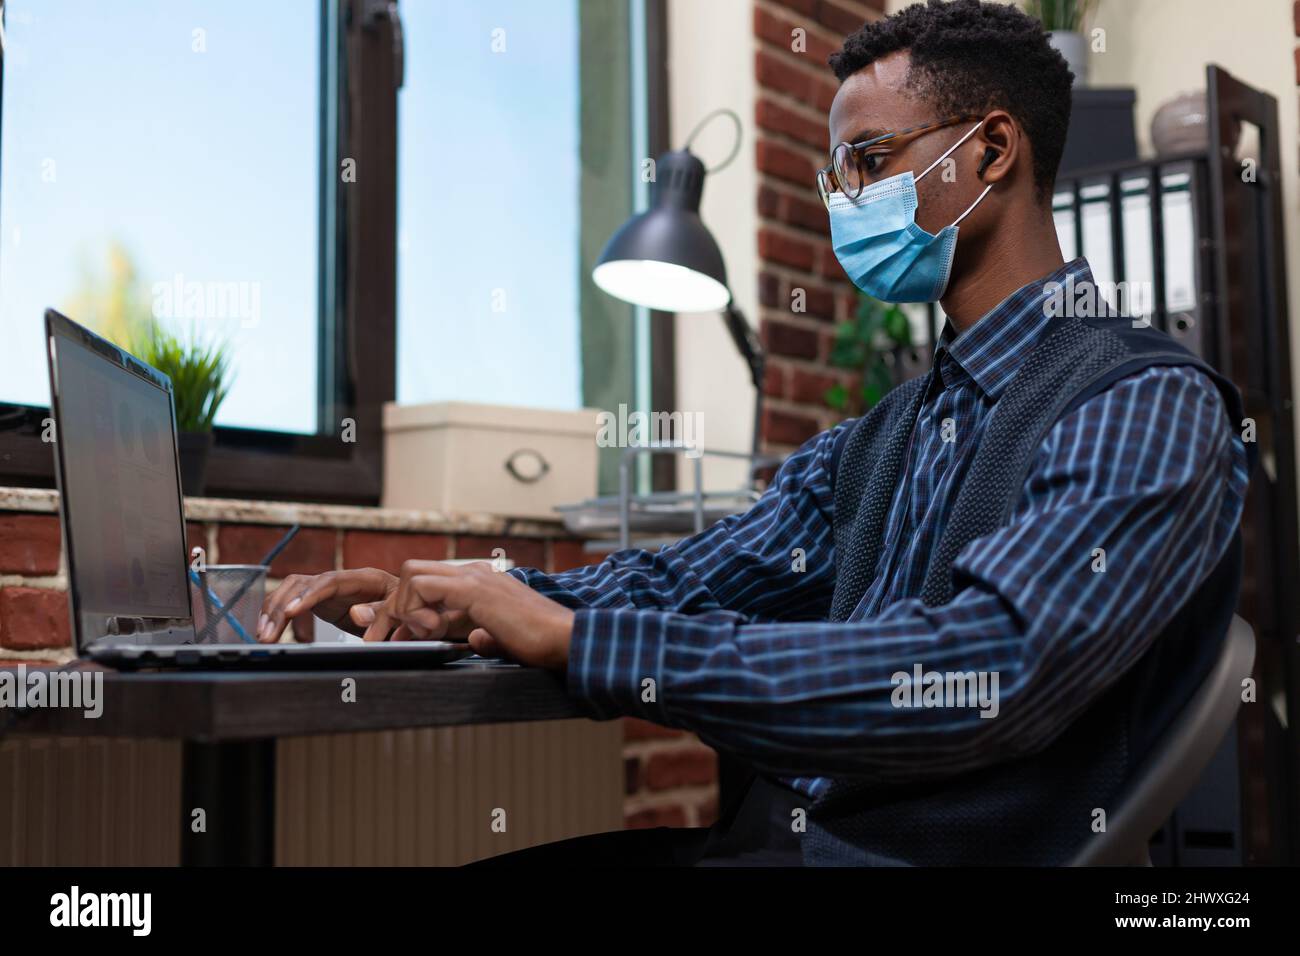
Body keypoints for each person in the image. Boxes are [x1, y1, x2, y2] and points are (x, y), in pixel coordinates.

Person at [257, 0, 1251, 866]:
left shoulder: (1145, 403)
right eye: (837, 175)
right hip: (791, 844)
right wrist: (471, 597)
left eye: (871, 162)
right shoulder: (882, 438)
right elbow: (686, 579)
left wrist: (587, 639)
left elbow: (988, 665)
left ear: (990, 151)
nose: (847, 202)